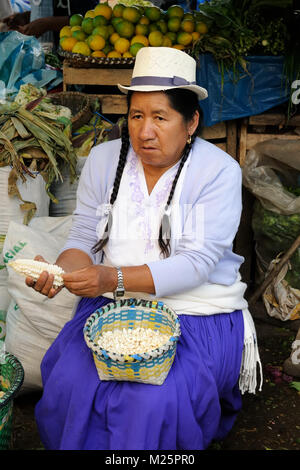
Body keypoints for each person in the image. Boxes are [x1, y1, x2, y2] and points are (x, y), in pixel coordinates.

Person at [28, 47, 262, 451]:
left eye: (160, 117)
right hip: (112, 308)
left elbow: (197, 264)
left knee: (151, 399)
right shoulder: (103, 161)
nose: (144, 131)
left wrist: (110, 276)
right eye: (136, 115)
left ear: (191, 122)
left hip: (196, 311)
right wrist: (62, 271)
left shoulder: (217, 171)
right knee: (71, 382)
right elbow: (83, 235)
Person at [3, 0, 98, 47]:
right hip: (46, 57)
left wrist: (47, 24)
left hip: (73, 54)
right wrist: (28, 17)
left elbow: (89, 18)